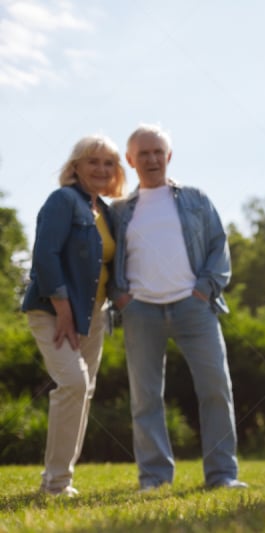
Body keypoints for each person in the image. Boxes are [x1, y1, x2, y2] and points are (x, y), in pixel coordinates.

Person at [110, 124, 245, 491]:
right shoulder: (120, 210)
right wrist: (120, 296)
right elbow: (105, 257)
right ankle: (154, 477)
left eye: (158, 152)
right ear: (131, 160)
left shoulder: (196, 199)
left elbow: (219, 245)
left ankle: (222, 475)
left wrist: (204, 289)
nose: (152, 159)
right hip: (141, 313)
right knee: (146, 398)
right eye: (144, 154)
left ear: (168, 156)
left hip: (195, 308)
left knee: (216, 388)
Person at [22, 134, 127, 497]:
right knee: (74, 384)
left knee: (83, 391)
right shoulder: (63, 201)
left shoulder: (108, 212)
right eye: (92, 161)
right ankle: (55, 483)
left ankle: (60, 480)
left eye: (108, 163)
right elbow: (46, 256)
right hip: (53, 310)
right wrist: (64, 310)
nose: (101, 168)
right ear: (75, 167)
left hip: (93, 314)